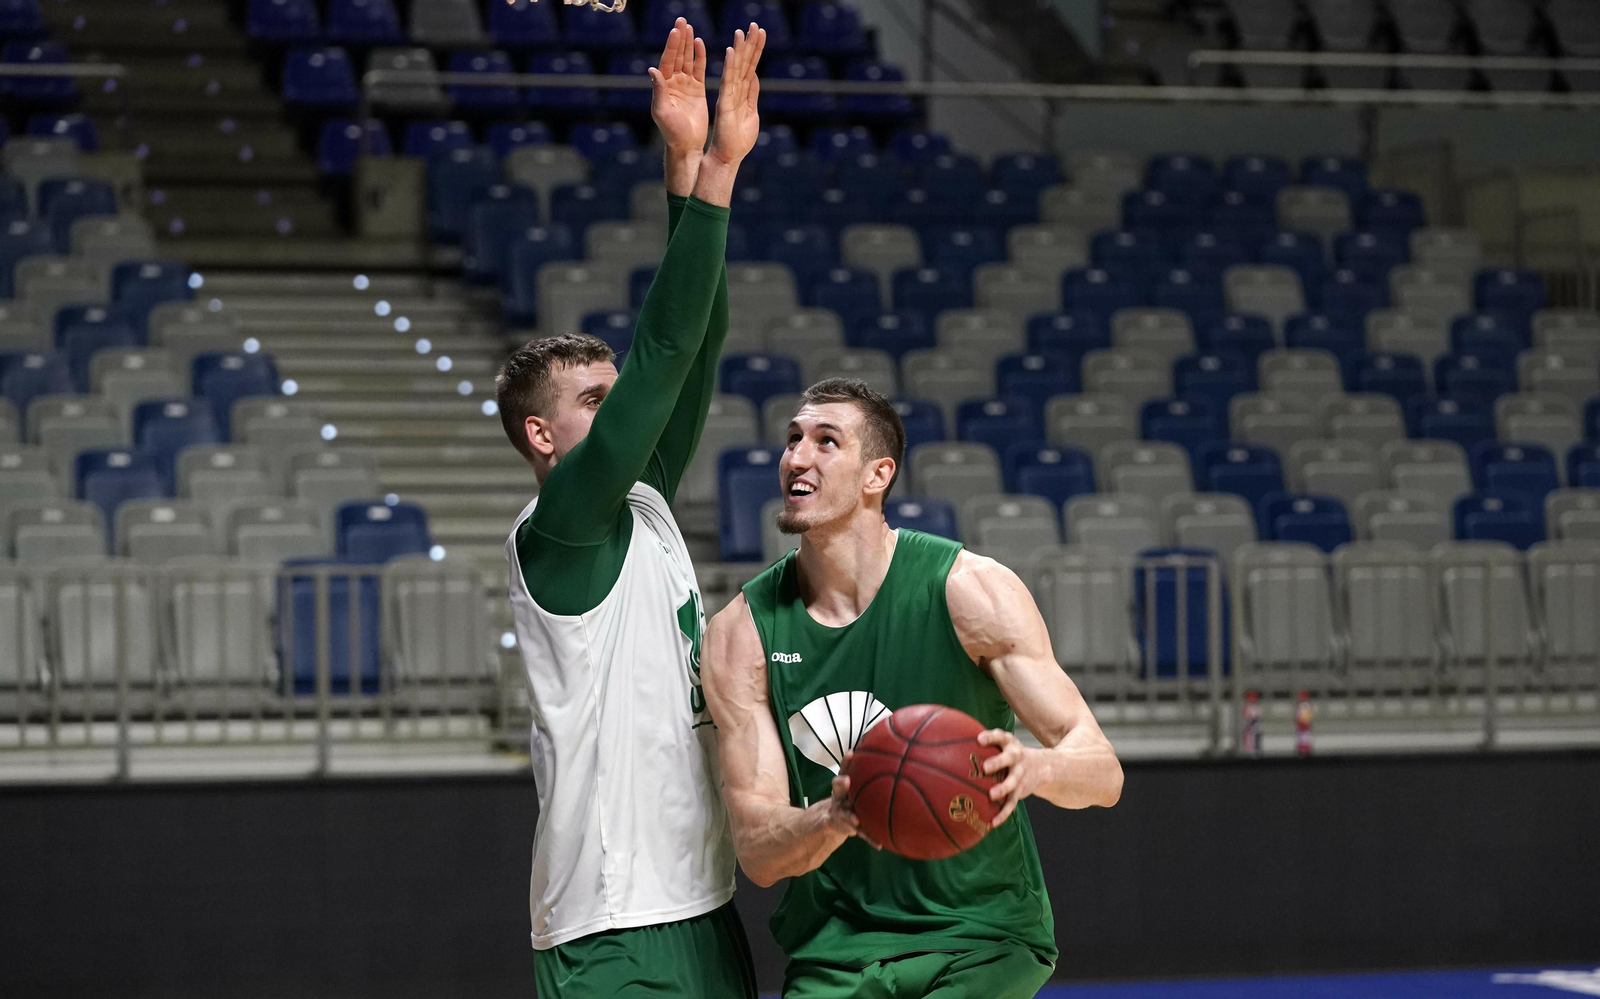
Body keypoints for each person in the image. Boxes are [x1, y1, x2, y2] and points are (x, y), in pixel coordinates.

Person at [494, 19, 767, 998]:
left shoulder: (642, 504)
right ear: (542, 437)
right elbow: (659, 357)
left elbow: (689, 351)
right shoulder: (559, 530)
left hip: (698, 900)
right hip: (610, 921)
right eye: (594, 402)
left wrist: (691, 167)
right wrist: (711, 177)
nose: (627, 408)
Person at [701, 378, 1125, 999]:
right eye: (793, 439)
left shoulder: (970, 590)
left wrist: (1031, 769)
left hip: (980, 938)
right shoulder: (741, 633)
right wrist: (836, 815)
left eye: (826, 441)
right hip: (837, 953)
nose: (797, 456)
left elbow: (1103, 773)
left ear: (878, 475)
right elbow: (761, 855)